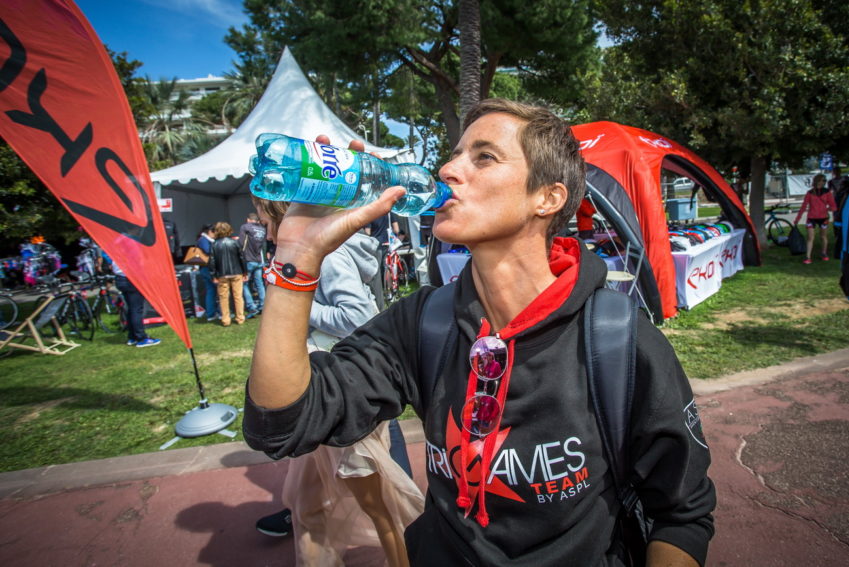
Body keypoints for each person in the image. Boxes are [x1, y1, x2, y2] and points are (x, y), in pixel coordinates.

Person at [243, 99, 715, 566]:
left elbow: (681, 514)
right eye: (454, 155)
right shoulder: (424, 324)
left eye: (484, 157)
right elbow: (281, 424)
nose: (448, 169)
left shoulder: (617, 340)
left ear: (547, 198)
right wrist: (298, 257)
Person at [252, 198, 424, 567]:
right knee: (306, 501)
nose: (266, 234)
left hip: (341, 394)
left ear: (285, 215)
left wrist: (292, 296)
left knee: (382, 507)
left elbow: (358, 316)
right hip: (321, 391)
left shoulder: (329, 257)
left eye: (267, 223)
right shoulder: (314, 254)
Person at [112, 261, 160, 348]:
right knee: (136, 309)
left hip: (120, 278)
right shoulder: (132, 253)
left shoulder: (118, 252)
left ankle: (132, 336)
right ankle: (141, 338)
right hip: (131, 278)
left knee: (131, 308)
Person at [208, 222, 247, 326]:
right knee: (238, 296)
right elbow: (242, 258)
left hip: (222, 274)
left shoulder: (214, 244)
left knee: (223, 298)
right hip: (237, 273)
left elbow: (212, 261)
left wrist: (213, 275)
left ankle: (226, 320)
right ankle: (240, 318)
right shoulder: (235, 242)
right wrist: (245, 272)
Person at [793, 173, 838, 264]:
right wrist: (798, 218)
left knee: (823, 236)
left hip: (823, 218)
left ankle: (824, 253)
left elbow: (834, 206)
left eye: (824, 181)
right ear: (817, 181)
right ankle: (808, 256)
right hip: (811, 217)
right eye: (822, 180)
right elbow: (803, 206)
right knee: (810, 237)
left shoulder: (827, 192)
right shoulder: (810, 193)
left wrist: (827, 209)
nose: (823, 182)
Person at [238, 212, 266, 316]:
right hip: (259, 259)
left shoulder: (245, 227)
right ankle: (263, 305)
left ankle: (251, 307)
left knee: (244, 283)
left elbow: (241, 243)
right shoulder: (262, 229)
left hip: (248, 259)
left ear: (248, 219)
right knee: (259, 283)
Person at [196, 225, 219, 321]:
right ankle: (219, 312)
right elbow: (207, 250)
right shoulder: (203, 240)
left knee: (211, 291)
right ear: (210, 231)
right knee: (218, 289)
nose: (216, 234)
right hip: (207, 268)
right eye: (215, 232)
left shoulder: (202, 239)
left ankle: (211, 314)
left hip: (205, 268)